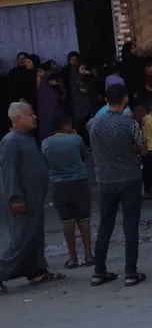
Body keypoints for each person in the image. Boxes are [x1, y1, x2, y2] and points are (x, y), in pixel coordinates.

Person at [0, 102, 64, 295]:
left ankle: (36, 271)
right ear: (17, 118)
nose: (34, 117)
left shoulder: (25, 138)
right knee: (20, 240)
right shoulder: (11, 141)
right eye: (30, 114)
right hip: (22, 199)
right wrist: (15, 197)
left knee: (34, 236)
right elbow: (8, 172)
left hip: (34, 198)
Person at [87, 85, 148, 288]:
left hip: (105, 179)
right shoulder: (129, 124)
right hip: (129, 177)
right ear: (125, 99)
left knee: (105, 224)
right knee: (130, 225)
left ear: (105, 100)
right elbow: (143, 148)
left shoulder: (93, 125)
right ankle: (130, 271)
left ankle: (99, 271)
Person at [41, 113, 94, 269]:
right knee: (84, 218)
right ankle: (88, 254)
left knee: (66, 220)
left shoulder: (46, 143)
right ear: (66, 125)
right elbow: (85, 156)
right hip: (79, 182)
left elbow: (45, 162)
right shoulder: (75, 139)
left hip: (59, 184)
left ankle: (72, 258)